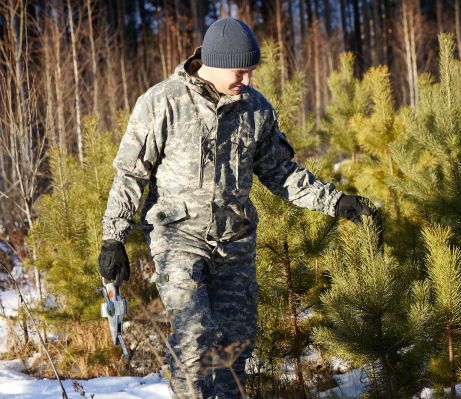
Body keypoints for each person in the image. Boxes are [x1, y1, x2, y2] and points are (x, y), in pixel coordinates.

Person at [98, 17, 378, 399]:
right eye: (240, 71)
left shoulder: (255, 109)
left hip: (234, 244)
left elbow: (281, 173)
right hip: (177, 237)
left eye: (250, 71)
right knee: (194, 334)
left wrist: (336, 202)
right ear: (212, 62)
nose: (246, 79)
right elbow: (131, 174)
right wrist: (113, 238)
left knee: (236, 346)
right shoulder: (162, 103)